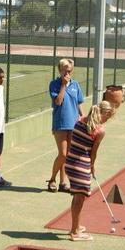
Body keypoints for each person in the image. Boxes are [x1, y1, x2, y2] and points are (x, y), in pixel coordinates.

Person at [65, 100, 116, 241]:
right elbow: (94, 152)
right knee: (79, 199)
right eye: (108, 117)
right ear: (104, 114)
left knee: (77, 196)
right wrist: (92, 166)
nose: (107, 121)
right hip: (81, 166)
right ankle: (75, 232)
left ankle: (75, 226)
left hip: (70, 162)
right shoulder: (99, 130)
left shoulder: (79, 120)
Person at [47, 58, 85, 193]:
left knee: (68, 155)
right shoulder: (54, 84)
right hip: (60, 124)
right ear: (60, 70)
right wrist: (63, 85)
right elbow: (58, 101)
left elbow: (79, 103)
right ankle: (52, 179)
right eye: (65, 70)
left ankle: (63, 183)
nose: (67, 73)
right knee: (62, 154)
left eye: (69, 70)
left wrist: (83, 118)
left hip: (73, 124)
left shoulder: (75, 85)